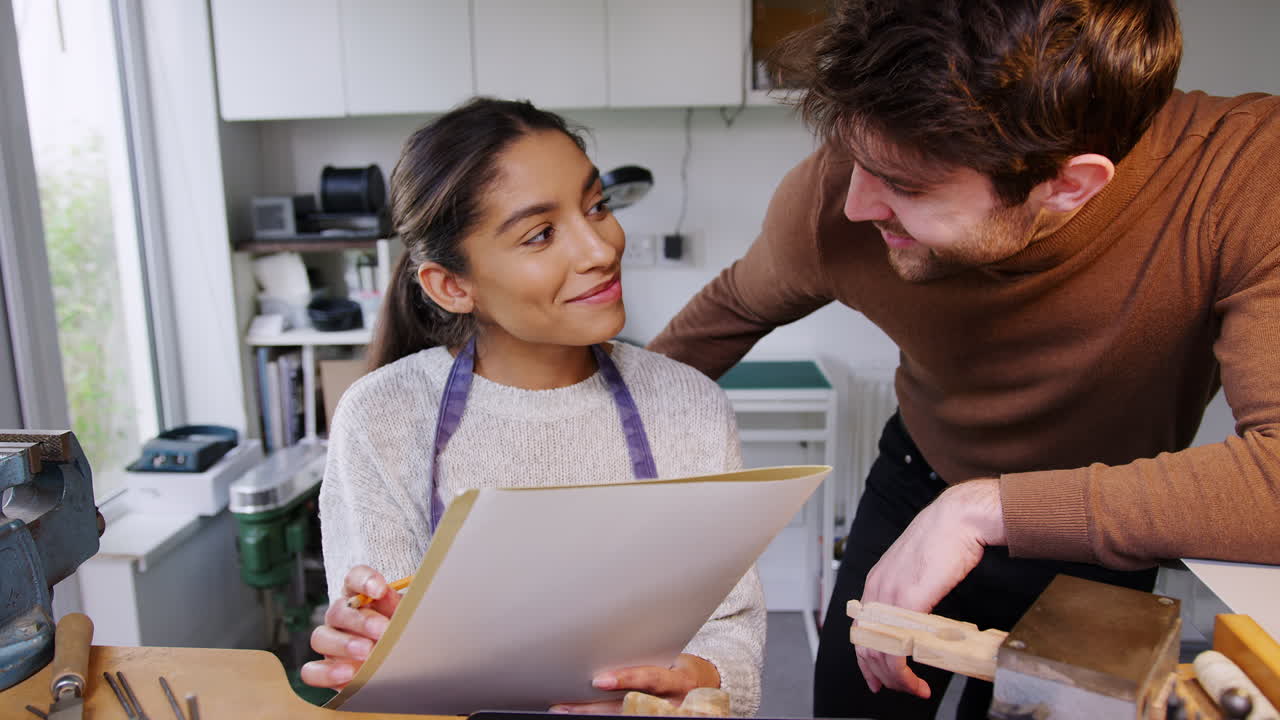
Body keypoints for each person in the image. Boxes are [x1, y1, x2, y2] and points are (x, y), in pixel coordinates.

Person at [647, 0, 1280, 718]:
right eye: (854, 158)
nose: (856, 205)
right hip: (915, 486)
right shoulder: (832, 202)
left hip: (1101, 535)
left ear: (1069, 185)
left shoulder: (1245, 175)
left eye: (907, 185)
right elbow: (723, 315)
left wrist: (986, 508)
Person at [301, 98, 765, 716]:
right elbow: (390, 671)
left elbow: (731, 628)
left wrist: (693, 683)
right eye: (541, 234)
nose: (600, 248)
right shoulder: (381, 419)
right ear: (452, 285)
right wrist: (373, 661)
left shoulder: (690, 406)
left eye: (596, 206)